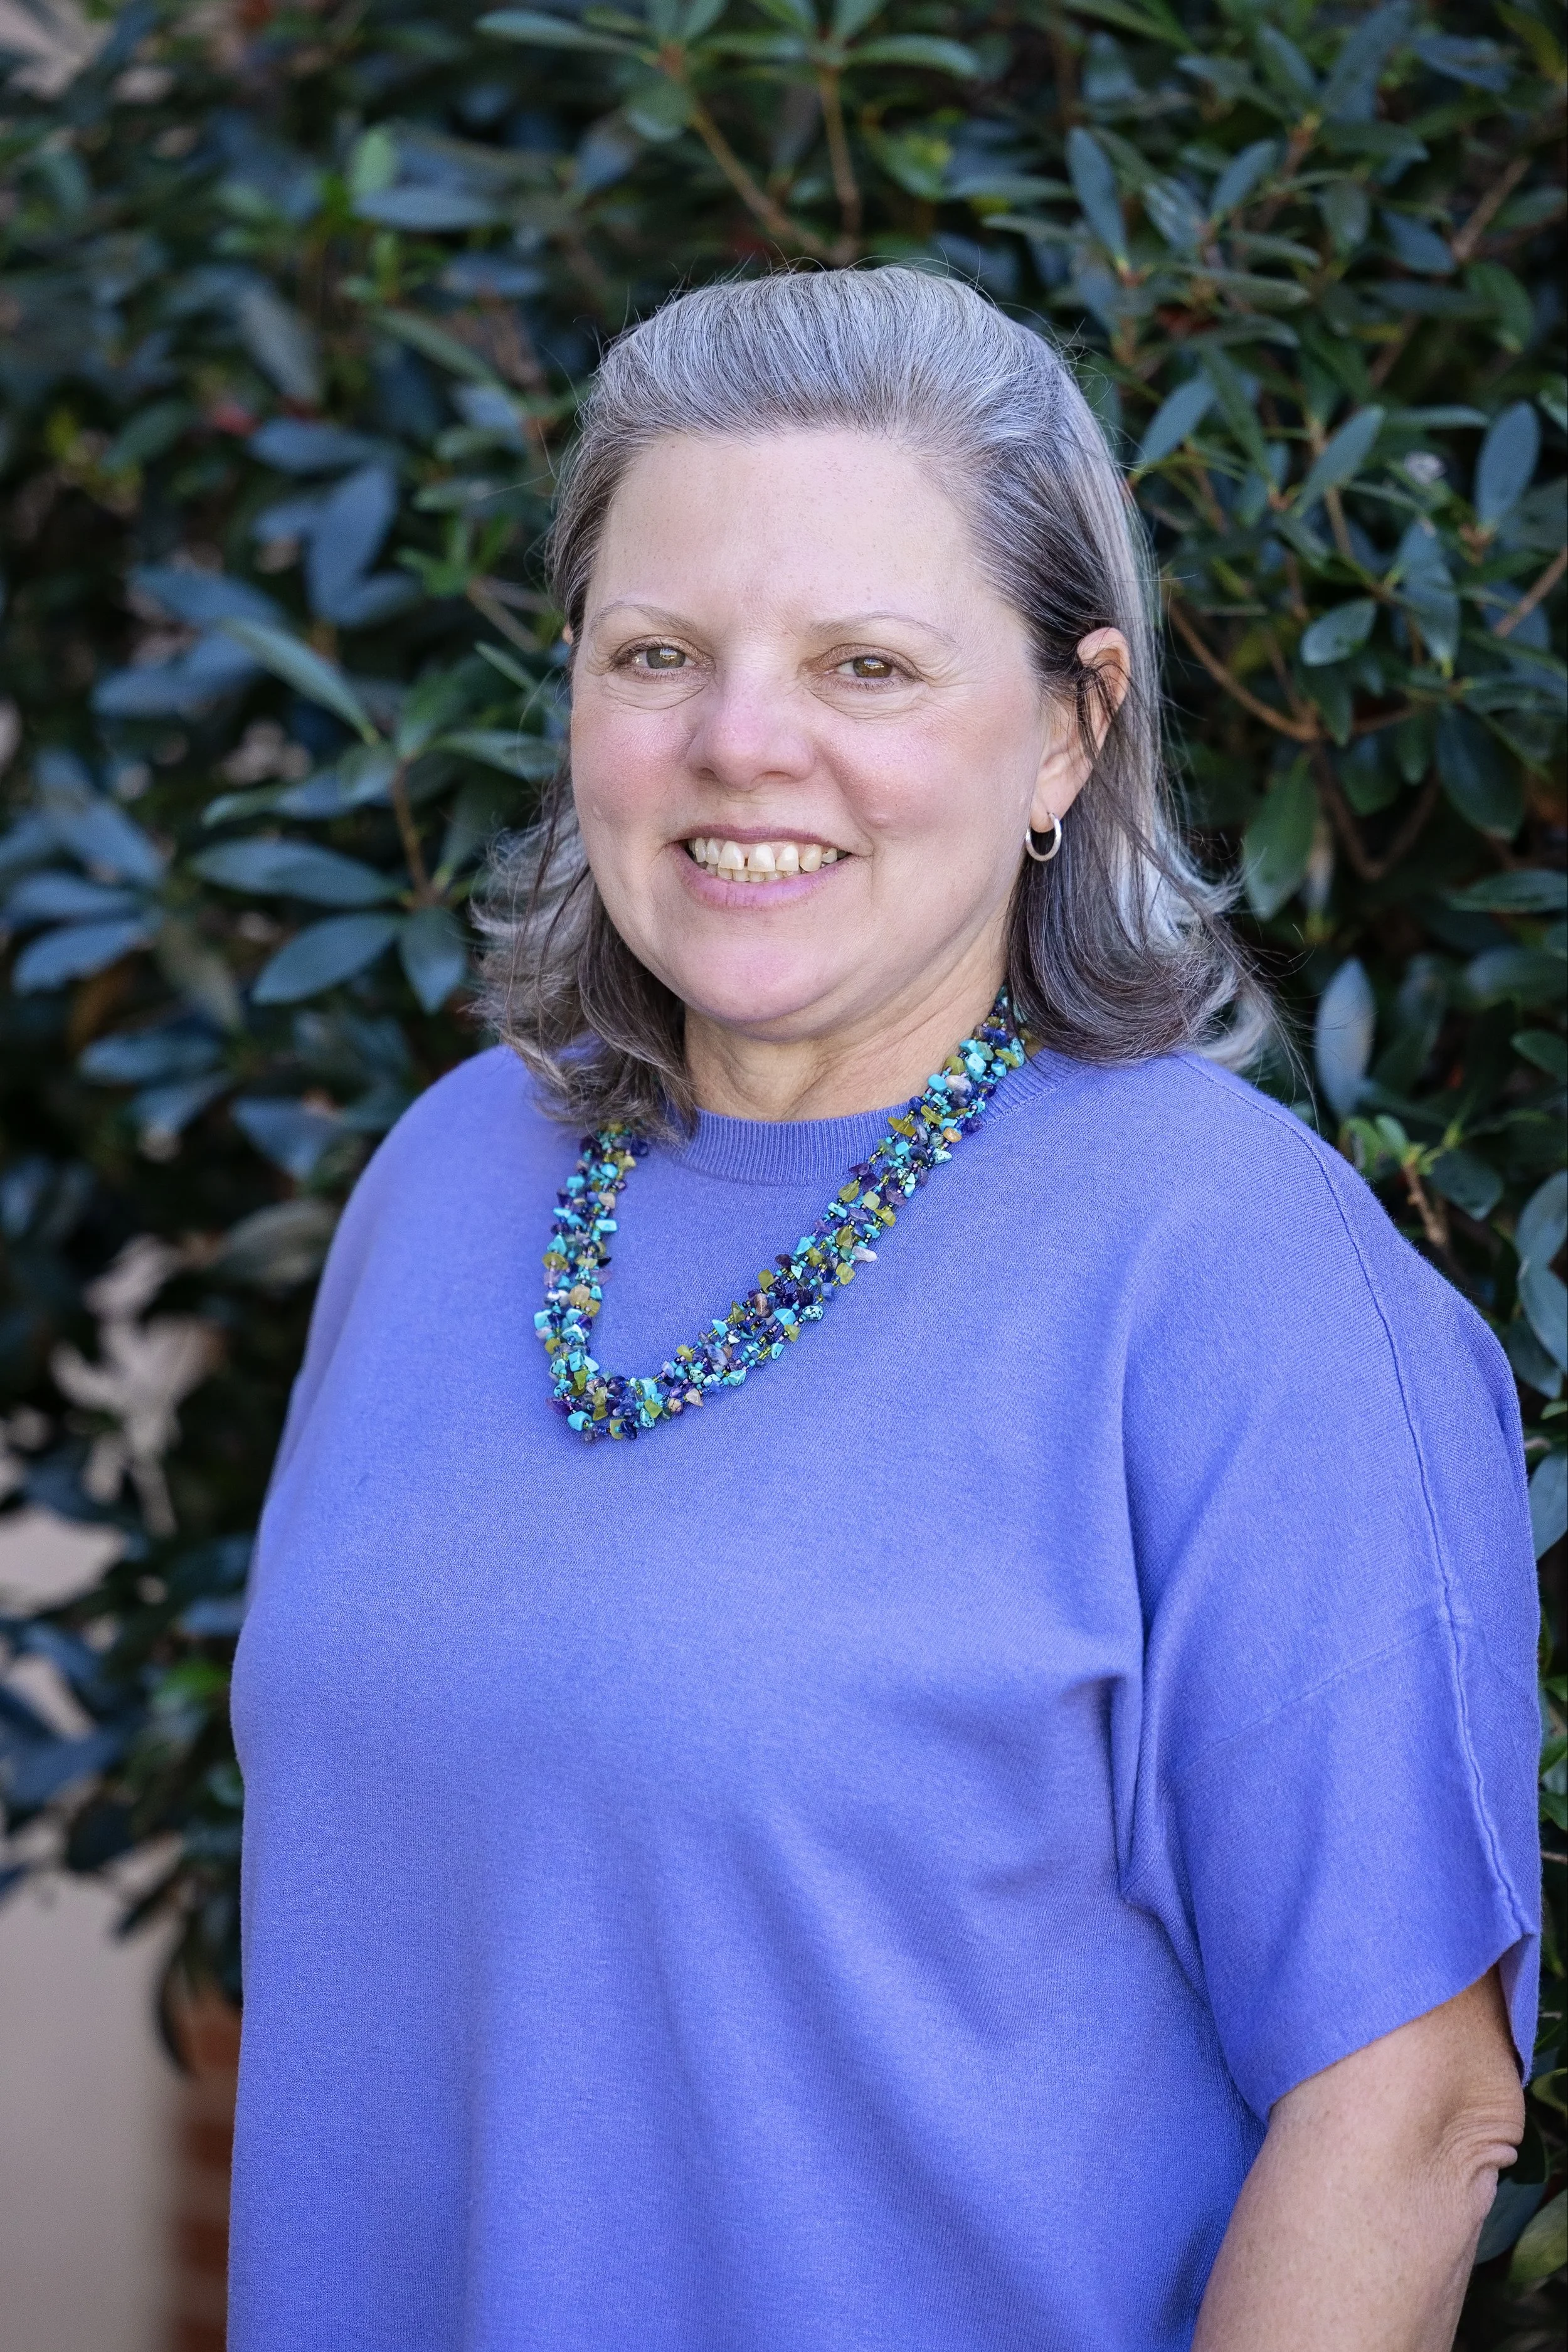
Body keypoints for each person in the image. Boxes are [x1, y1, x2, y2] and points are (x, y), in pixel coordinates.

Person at [228, 268, 1540, 2352]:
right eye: (659, 652)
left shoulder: (1225, 1269)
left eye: (866, 662)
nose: (743, 741)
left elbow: (1406, 2105)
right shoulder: (452, 1177)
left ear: (1069, 724)